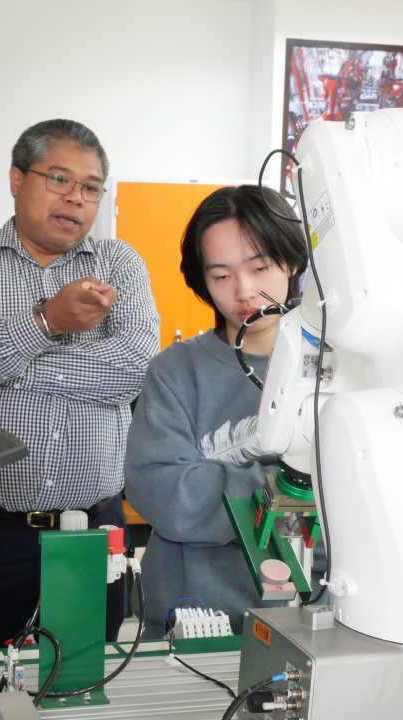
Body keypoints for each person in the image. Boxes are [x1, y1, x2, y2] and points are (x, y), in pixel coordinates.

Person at [0, 119, 160, 649]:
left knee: (83, 679)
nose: (75, 198)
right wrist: (48, 320)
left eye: (91, 187)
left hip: (93, 536)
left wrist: (10, 366)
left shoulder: (119, 263)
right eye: (59, 179)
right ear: (17, 178)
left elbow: (136, 368)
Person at [123, 184, 309, 639]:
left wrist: (218, 485)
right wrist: (294, 488)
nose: (244, 291)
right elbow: (165, 493)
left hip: (315, 622)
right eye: (221, 276)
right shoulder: (175, 371)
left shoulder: (340, 366)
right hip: (193, 622)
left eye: (260, 267)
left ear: (291, 261)